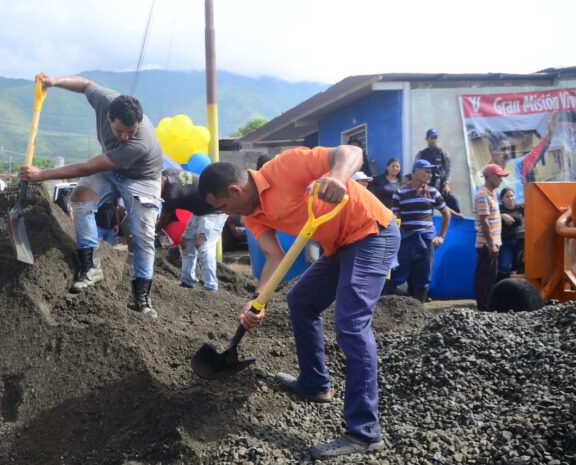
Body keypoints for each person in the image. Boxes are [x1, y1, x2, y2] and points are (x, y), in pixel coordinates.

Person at [198, 145, 400, 459]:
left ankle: (364, 431)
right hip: (340, 246)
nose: (227, 214)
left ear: (235, 189)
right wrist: (257, 303)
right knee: (301, 299)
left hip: (373, 232)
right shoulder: (254, 216)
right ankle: (315, 384)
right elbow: (274, 258)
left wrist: (335, 176)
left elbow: (351, 150)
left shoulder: (285, 166)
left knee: (350, 324)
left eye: (224, 206)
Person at [19, 72, 163, 318]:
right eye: (120, 130)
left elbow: (88, 167)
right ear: (110, 117)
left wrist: (43, 174)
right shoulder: (105, 99)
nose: (125, 136)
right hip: (111, 171)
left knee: (143, 235)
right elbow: (86, 84)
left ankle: (142, 297)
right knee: (80, 199)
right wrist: (55, 82)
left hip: (142, 179)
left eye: (131, 130)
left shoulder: (139, 142)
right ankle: (91, 267)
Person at [388, 159, 451, 302]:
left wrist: (441, 236)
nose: (430, 174)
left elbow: (447, 213)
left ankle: (419, 308)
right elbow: (394, 217)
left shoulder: (433, 192)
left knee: (423, 275)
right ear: (415, 171)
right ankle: (390, 308)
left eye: (431, 172)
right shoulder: (400, 193)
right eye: (427, 171)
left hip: (426, 239)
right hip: (405, 239)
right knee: (397, 273)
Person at [157, 168, 227, 292]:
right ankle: (187, 281)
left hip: (215, 210)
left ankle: (211, 287)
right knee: (185, 242)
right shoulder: (168, 173)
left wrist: (152, 231)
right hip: (199, 210)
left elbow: (162, 222)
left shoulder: (171, 195)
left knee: (203, 245)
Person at [474, 164, 508, 311]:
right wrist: (491, 244)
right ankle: (483, 307)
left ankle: (487, 305)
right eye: (498, 177)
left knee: (490, 276)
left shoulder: (492, 194)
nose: (501, 180)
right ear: (489, 177)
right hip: (487, 244)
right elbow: (484, 221)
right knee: (485, 276)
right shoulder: (482, 195)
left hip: (493, 242)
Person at [415, 128, 461, 214]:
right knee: (426, 211)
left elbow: (448, 170)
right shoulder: (421, 154)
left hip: (441, 186)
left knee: (454, 204)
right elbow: (416, 172)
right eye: (432, 137)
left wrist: (447, 184)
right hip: (426, 188)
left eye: (435, 137)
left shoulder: (443, 153)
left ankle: (455, 225)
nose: (434, 140)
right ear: (427, 139)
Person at [498, 187, 525, 279]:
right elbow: (488, 216)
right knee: (504, 266)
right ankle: (501, 287)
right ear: (502, 199)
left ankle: (519, 288)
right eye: (507, 197)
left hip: (520, 242)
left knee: (520, 266)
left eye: (512, 196)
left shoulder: (520, 208)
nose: (510, 198)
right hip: (505, 242)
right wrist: (502, 215)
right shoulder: (499, 209)